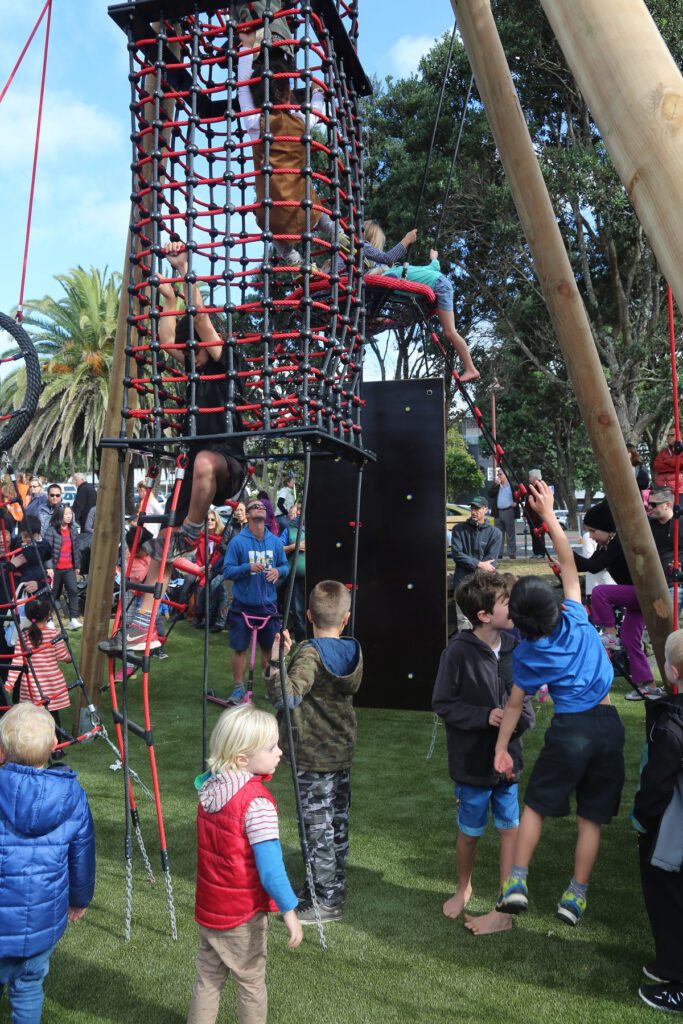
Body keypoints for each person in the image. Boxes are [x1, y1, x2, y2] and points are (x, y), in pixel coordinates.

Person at [99, 241, 247, 654]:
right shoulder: (193, 368)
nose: (188, 357)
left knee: (201, 462)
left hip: (226, 463)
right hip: (197, 469)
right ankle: (139, 627)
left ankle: (192, 530)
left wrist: (185, 272)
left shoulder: (223, 358)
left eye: (192, 350)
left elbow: (199, 321)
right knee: (161, 548)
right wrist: (167, 299)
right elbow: (167, 340)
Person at [494, 480, 625, 927]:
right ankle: (576, 896)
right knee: (591, 818)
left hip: (569, 731)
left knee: (535, 807)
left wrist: (500, 747)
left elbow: (513, 706)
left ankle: (517, 881)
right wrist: (548, 513)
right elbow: (570, 563)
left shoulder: (528, 655)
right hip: (608, 727)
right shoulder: (576, 615)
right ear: (554, 605)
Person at [432, 570, 535, 936]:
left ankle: (505, 904)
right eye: (508, 603)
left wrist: (513, 721)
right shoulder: (457, 652)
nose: (516, 608)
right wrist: (483, 716)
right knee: (470, 833)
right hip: (471, 765)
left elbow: (528, 713)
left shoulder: (516, 648)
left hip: (508, 767)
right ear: (484, 616)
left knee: (510, 830)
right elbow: (442, 702)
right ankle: (464, 888)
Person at [186, 703, 302, 1024]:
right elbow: (270, 868)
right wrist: (289, 910)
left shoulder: (209, 788)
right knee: (250, 982)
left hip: (210, 908)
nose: (279, 752)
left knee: (207, 979)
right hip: (242, 914)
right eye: (271, 747)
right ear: (241, 759)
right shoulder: (257, 803)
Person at [264, 580, 362, 924]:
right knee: (335, 823)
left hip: (313, 756)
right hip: (340, 751)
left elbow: (287, 697)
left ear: (308, 615)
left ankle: (325, 901)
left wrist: (277, 662)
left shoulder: (309, 652)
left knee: (316, 827)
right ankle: (328, 886)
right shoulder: (352, 650)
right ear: (346, 618)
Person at [0, 703, 95, 1023]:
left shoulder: (72, 795)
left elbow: (81, 850)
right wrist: (79, 899)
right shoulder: (72, 795)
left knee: (27, 986)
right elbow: (82, 855)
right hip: (43, 922)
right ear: (54, 747)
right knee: (28, 988)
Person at [237, 28, 338, 269]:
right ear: (288, 93)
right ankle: (339, 235)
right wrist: (317, 92)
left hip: (275, 216)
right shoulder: (299, 120)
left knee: (265, 213)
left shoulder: (254, 122)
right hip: (305, 210)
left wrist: (245, 48)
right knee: (318, 209)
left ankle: (293, 259)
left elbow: (241, 86)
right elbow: (317, 110)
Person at [632, 628, 683, 1013]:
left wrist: (642, 820)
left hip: (671, 834)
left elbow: (656, 786)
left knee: (668, 898)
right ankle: (669, 963)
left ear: (673, 672)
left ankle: (679, 984)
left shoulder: (671, 727)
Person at [573, 500, 661, 701]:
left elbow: (595, 567)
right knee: (630, 639)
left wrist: (567, 551)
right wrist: (565, 560)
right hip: (636, 596)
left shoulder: (618, 542)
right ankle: (649, 686)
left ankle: (610, 634)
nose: (592, 536)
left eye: (594, 531)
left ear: (607, 529)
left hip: (645, 592)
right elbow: (589, 564)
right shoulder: (605, 546)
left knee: (600, 592)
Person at [222, 499, 289, 704]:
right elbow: (227, 571)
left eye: (262, 507)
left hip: (268, 606)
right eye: (255, 507)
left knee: (269, 649)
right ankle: (238, 688)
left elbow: (285, 566)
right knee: (240, 647)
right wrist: (247, 568)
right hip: (242, 605)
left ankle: (270, 686)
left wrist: (278, 571)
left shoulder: (275, 542)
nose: (259, 508)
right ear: (248, 515)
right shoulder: (237, 542)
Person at [383, 249, 479, 382]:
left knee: (450, 332)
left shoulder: (387, 275)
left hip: (439, 287)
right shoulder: (406, 269)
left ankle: (471, 369)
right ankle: (471, 368)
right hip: (440, 284)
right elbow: (434, 267)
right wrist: (434, 257)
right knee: (448, 331)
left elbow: (386, 287)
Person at [5, 597, 72, 753]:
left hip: (32, 684)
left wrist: (9, 684)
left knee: (32, 715)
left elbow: (17, 661)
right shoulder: (54, 634)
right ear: (48, 614)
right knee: (53, 715)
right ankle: (57, 748)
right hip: (51, 683)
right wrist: (69, 658)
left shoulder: (24, 636)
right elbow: (63, 656)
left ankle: (31, 742)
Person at [451, 498, 502, 631]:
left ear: (485, 509)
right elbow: (457, 555)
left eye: (477, 508)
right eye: (472, 508)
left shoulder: (495, 533)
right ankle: (464, 648)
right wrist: (479, 564)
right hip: (462, 583)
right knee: (463, 621)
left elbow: (491, 562)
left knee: (483, 621)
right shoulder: (458, 529)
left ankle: (481, 649)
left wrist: (478, 565)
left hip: (482, 585)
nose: (474, 512)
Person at [44, 504, 82, 630]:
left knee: (73, 591)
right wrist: (49, 567)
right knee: (53, 594)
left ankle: (73, 619)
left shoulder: (73, 530)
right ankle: (48, 620)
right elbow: (47, 550)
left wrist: (77, 565)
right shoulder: (51, 530)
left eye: (70, 514)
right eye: (66, 514)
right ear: (60, 515)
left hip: (69, 568)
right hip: (55, 569)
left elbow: (75, 549)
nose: (69, 516)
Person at [194, 509, 229, 632]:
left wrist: (209, 567)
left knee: (209, 584)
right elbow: (198, 556)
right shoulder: (202, 537)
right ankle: (197, 615)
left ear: (217, 521)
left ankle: (208, 618)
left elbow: (220, 556)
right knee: (192, 581)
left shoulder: (221, 537)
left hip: (217, 569)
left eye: (212, 519)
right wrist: (200, 569)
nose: (210, 521)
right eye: (207, 519)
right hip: (203, 568)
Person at [280, 501, 306, 642]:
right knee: (298, 611)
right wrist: (293, 546)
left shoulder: (321, 527)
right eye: (300, 509)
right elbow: (278, 548)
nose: (301, 511)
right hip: (295, 578)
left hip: (315, 579)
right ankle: (302, 642)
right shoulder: (289, 529)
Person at [487, 467, 519, 560]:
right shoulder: (497, 486)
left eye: (500, 474)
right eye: (498, 474)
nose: (499, 476)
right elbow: (490, 494)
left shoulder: (513, 485)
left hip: (509, 511)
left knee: (510, 534)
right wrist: (495, 485)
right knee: (498, 534)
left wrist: (516, 502)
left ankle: (512, 553)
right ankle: (499, 553)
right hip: (498, 512)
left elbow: (521, 496)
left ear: (506, 475)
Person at [526, 469, 547, 558]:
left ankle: (541, 553)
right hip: (531, 515)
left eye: (530, 476)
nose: (529, 478)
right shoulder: (531, 487)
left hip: (539, 515)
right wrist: (525, 514)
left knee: (540, 534)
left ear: (535, 477)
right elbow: (527, 501)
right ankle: (536, 552)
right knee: (533, 534)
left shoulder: (541, 485)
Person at [653, 426, 680, 491]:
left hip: (679, 490)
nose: (669, 437)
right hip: (663, 490)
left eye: (672, 435)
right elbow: (657, 465)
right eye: (668, 435)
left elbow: (680, 464)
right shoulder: (663, 452)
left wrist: (666, 461)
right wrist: (673, 465)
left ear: (681, 436)